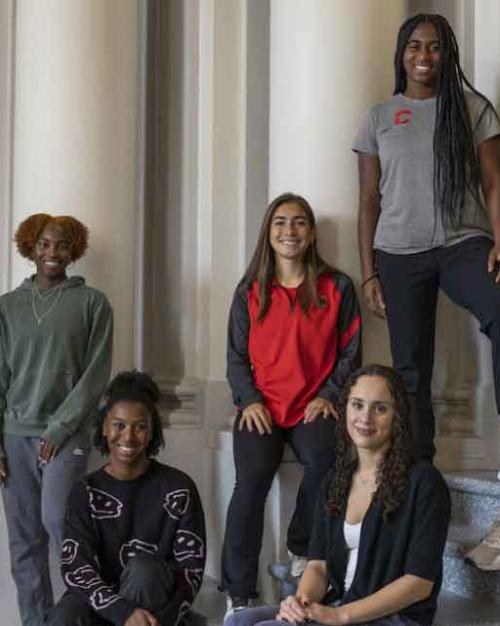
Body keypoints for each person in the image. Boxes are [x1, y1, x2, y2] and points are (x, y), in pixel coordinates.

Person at [353, 13, 500, 461]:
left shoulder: (473, 109)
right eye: (414, 46)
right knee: (410, 370)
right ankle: (418, 470)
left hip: (463, 243)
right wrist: (368, 275)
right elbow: (368, 201)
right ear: (402, 53)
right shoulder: (379, 117)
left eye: (434, 46)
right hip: (398, 252)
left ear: (447, 53)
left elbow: (494, 182)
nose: (424, 55)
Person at [221, 192, 361, 617]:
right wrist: (248, 400)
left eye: (299, 222)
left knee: (327, 460)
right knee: (251, 481)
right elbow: (236, 357)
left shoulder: (336, 287)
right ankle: (239, 591)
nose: (289, 231)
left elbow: (351, 351)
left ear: (312, 232)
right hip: (261, 406)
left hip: (313, 405)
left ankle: (303, 548)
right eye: (280, 222)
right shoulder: (249, 291)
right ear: (269, 232)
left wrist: (330, 395)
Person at [227, 364, 451, 626]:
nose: (365, 417)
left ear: (398, 416)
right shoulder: (335, 480)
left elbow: (419, 583)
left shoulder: (424, 483)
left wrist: (340, 615)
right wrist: (302, 603)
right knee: (239, 622)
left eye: (380, 408)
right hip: (338, 602)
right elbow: (318, 566)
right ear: (345, 409)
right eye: (357, 405)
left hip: (392, 618)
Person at [0, 213, 113, 626]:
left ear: (74, 250)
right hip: (14, 435)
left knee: (60, 523)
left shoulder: (92, 303)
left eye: (61, 245)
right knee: (24, 540)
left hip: (66, 434)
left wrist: (60, 427)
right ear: (30, 247)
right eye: (44, 244)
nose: (52, 253)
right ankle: (37, 621)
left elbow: (96, 374)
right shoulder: (7, 307)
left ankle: (78, 617)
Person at [49, 371, 206, 626]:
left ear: (152, 430)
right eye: (119, 425)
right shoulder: (85, 491)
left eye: (140, 426)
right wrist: (122, 612)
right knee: (65, 615)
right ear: (104, 427)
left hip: (156, 611)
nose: (129, 437)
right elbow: (76, 567)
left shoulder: (179, 488)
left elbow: (191, 572)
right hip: (105, 607)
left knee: (144, 569)